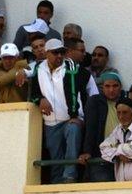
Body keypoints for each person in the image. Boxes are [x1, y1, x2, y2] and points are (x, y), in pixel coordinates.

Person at [29, 38, 98, 183]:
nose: (59, 56)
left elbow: (71, 90)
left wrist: (74, 115)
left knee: (72, 138)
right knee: (55, 157)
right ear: (47, 53)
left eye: (62, 52)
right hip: (50, 122)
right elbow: (33, 92)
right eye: (55, 53)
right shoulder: (38, 68)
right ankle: (56, 185)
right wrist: (40, 99)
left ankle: (69, 177)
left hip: (70, 118)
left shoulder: (70, 66)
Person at [79, 71, 123, 182]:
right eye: (107, 86)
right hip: (100, 156)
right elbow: (91, 128)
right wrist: (87, 151)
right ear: (102, 87)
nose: (111, 90)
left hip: (122, 156)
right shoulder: (94, 101)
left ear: (120, 87)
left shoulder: (126, 102)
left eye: (115, 86)